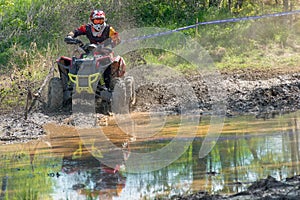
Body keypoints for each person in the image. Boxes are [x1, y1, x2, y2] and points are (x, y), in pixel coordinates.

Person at [67, 10, 123, 90]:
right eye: (97, 20)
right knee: (78, 60)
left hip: (105, 53)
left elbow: (117, 39)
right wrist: (69, 36)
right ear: (92, 20)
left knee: (108, 62)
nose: (99, 23)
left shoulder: (108, 29)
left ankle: (107, 86)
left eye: (101, 20)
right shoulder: (87, 28)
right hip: (91, 52)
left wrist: (109, 43)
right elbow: (76, 31)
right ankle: (72, 84)